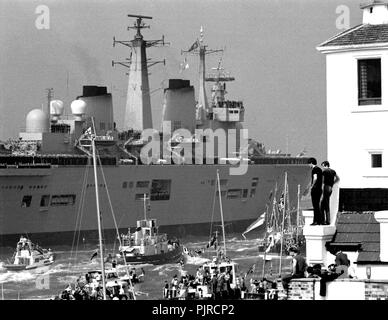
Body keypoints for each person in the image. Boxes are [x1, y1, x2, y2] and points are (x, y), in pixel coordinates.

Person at [320, 161, 339, 225]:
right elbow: (337, 179)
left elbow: (322, 181)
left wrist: (321, 190)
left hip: (325, 187)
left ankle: (325, 221)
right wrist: (332, 183)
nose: (323, 168)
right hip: (330, 188)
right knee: (325, 204)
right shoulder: (333, 171)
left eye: (323, 166)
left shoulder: (324, 172)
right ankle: (326, 220)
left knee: (323, 205)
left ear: (325, 165)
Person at [308, 157, 323, 225]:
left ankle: (316, 221)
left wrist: (311, 186)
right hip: (319, 189)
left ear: (311, 163)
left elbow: (315, 178)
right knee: (317, 205)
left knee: (315, 205)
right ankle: (319, 220)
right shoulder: (320, 169)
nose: (309, 166)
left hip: (315, 189)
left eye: (309, 164)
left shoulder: (314, 169)